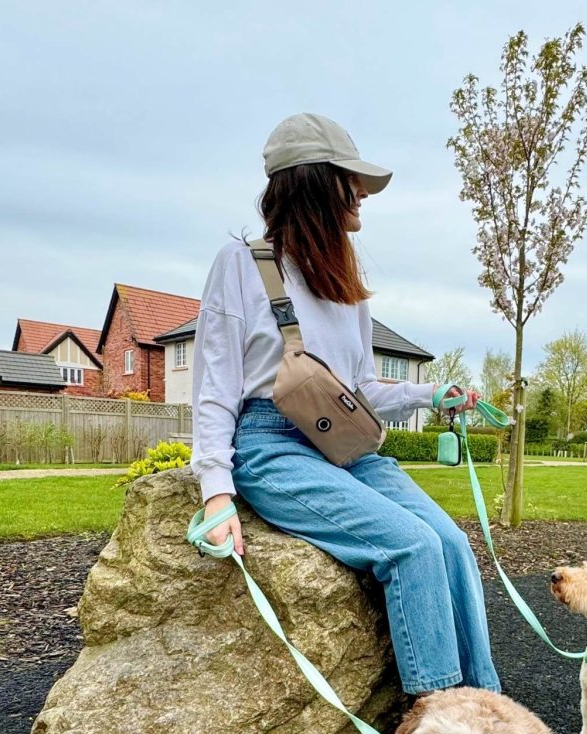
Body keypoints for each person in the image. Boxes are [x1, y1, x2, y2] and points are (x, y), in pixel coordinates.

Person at [191, 112, 500, 697]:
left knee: (451, 543)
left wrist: (431, 394)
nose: (363, 193)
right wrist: (216, 492)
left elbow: (361, 391)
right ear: (313, 181)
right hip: (272, 446)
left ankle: (485, 708)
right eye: (350, 179)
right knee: (411, 546)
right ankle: (439, 719)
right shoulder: (243, 264)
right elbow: (214, 386)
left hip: (346, 444)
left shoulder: (343, 282)